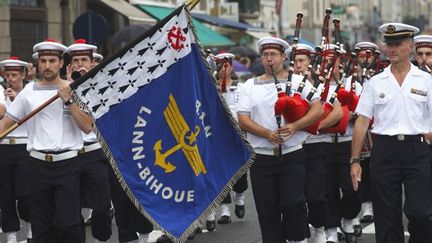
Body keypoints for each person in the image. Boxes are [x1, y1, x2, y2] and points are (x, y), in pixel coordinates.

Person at [0, 39, 93, 243]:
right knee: (42, 226)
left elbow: (87, 126)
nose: (48, 65)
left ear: (61, 63)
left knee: (69, 224)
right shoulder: (28, 92)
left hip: (68, 165)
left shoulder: (74, 89)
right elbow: (6, 123)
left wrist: (69, 101)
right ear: (38, 64)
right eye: (43, 61)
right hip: (37, 165)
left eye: (52, 60)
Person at [351, 23, 432, 243]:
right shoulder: (376, 82)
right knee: (386, 217)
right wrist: (355, 160)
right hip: (385, 150)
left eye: (398, 44)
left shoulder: (426, 80)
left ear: (410, 46)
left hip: (417, 149)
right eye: (389, 44)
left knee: (421, 214)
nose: (392, 49)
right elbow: (362, 121)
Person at [237, 36, 323, 243]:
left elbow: (318, 108)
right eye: (265, 55)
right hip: (262, 158)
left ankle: (298, 239)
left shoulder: (298, 82)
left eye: (273, 55)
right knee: (267, 211)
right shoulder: (249, 85)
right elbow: (242, 119)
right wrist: (267, 134)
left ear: (284, 57)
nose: (269, 59)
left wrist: (295, 126)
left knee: (294, 203)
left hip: (292, 155)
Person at [66, 39, 113, 243]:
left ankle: (100, 239)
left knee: (101, 207)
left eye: (84, 59)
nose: (79, 64)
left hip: (95, 153)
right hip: (70, 155)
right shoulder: (60, 88)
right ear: (69, 65)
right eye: (75, 60)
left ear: (93, 63)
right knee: (70, 209)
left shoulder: (103, 87)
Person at [204, 52, 248, 230]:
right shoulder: (210, 87)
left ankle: (239, 197)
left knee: (240, 175)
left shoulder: (240, 87)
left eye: (227, 65)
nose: (224, 69)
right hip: (216, 137)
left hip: (237, 137)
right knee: (219, 173)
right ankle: (224, 210)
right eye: (221, 65)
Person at [0, 56, 32, 242]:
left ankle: (30, 227)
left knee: (25, 193)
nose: (10, 79)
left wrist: (18, 100)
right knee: (6, 194)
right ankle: (11, 235)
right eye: (7, 74)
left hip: (24, 147)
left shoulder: (29, 92)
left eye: (14, 75)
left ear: (23, 75)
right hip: (4, 147)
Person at [352, 41, 379, 227]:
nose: (365, 59)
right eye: (362, 55)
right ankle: (364, 203)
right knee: (358, 165)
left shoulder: (379, 77)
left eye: (369, 55)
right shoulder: (349, 79)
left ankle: (374, 202)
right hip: (355, 127)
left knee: (373, 168)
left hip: (375, 129)